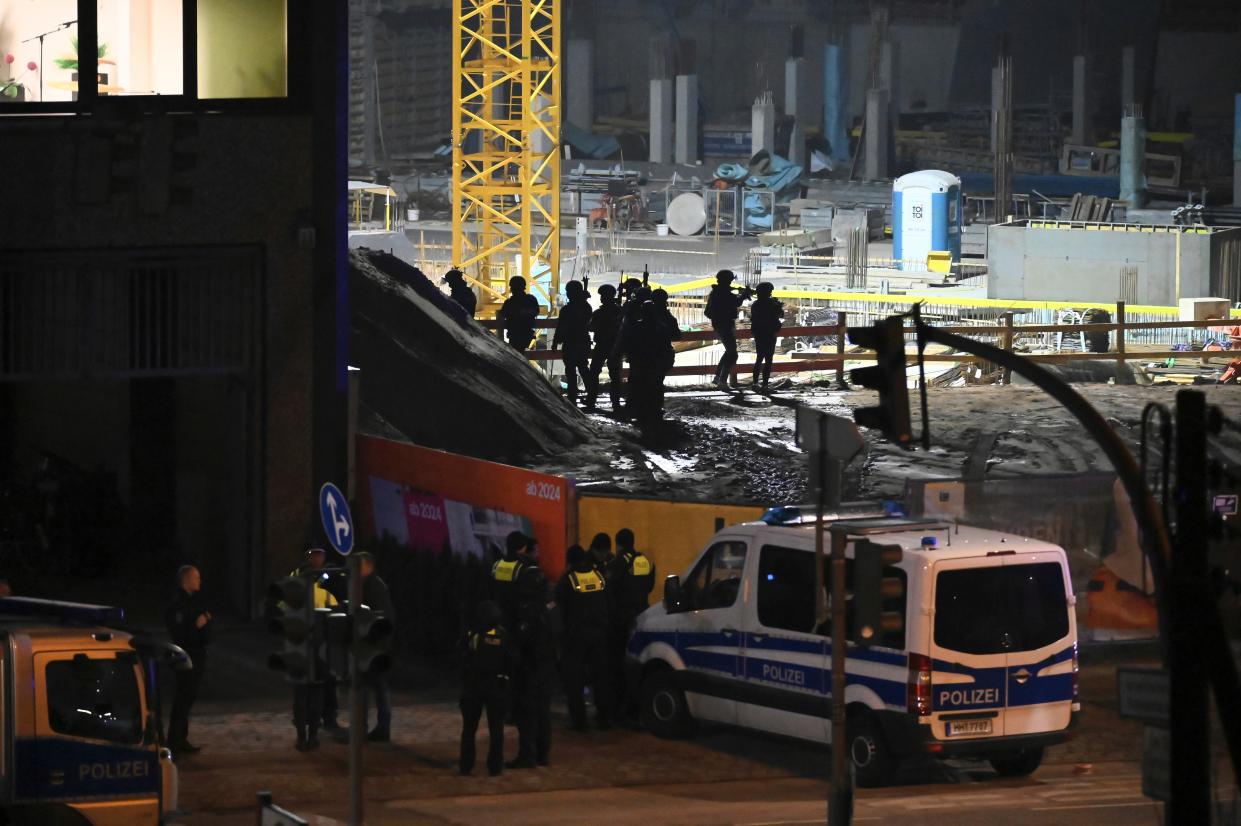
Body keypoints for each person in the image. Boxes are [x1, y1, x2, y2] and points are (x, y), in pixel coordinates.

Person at [493, 532, 555, 769]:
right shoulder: (531, 576)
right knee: (541, 705)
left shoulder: (499, 567)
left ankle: (528, 755)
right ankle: (541, 754)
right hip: (539, 651)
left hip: (521, 649)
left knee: (525, 704)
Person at [286, 547, 340, 751]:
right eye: (316, 555)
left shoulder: (293, 586)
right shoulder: (323, 591)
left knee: (301, 696)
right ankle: (312, 736)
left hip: (298, 648)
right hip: (318, 650)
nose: (319, 559)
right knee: (315, 694)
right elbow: (335, 617)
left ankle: (302, 737)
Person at [555, 545, 612, 731]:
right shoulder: (598, 577)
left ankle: (579, 721)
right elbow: (608, 601)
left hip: (576, 636)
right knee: (601, 677)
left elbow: (559, 607)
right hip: (599, 634)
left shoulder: (568, 580)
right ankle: (604, 717)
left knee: (574, 679)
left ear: (569, 561)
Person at [459, 600, 512, 776]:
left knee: (469, 728)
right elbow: (511, 659)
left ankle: (466, 765)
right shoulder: (503, 635)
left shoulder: (473, 634)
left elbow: (463, 655)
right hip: (496, 685)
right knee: (496, 729)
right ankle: (495, 766)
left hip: (474, 684)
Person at [609, 528, 656, 719]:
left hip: (622, 619)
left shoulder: (618, 562)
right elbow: (650, 585)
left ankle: (623, 710)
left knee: (621, 665)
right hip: (641, 615)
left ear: (618, 544)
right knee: (637, 663)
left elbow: (611, 589)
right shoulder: (643, 561)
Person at [166, 565, 212, 757]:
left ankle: (180, 739)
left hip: (197, 656)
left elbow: (206, 625)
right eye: (196, 578)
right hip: (186, 658)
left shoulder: (193, 601)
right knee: (182, 700)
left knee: (188, 699)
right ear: (186, 580)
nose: (199, 581)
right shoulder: (178, 605)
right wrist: (199, 624)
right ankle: (173, 744)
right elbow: (182, 635)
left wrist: (205, 623)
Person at [622, 289, 682, 430]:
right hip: (657, 357)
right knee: (654, 384)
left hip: (649, 357)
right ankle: (651, 410)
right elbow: (676, 336)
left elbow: (629, 340)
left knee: (644, 384)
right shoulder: (666, 318)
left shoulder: (641, 321)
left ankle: (644, 411)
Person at [357, 552, 395, 743]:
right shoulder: (372, 584)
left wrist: (372, 639)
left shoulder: (373, 586)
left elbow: (379, 616)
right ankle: (380, 728)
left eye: (359, 565)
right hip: (377, 645)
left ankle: (377, 728)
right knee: (378, 688)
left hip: (375, 647)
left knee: (373, 687)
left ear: (368, 566)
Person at [705, 270, 753, 389]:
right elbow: (735, 302)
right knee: (732, 353)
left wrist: (741, 294)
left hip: (721, 324)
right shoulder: (723, 293)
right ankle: (722, 381)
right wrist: (743, 295)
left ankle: (718, 378)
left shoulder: (716, 292)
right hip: (724, 324)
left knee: (729, 351)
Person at [552, 280, 594, 407]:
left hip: (570, 342)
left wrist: (555, 341)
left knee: (570, 370)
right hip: (583, 341)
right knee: (583, 368)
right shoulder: (587, 307)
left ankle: (572, 397)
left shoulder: (567, 309)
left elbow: (562, 327)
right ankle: (591, 396)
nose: (567, 294)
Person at [587, 283, 623, 412]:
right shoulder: (620, 311)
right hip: (614, 346)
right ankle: (615, 403)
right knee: (614, 375)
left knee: (594, 373)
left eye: (603, 296)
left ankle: (591, 400)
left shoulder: (599, 312)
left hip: (602, 345)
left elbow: (591, 327)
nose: (601, 298)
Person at [749, 282, 784, 390]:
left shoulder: (755, 304)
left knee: (759, 358)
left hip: (759, 333)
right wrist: (778, 305)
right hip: (769, 333)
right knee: (768, 359)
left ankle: (755, 382)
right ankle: (765, 384)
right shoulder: (772, 303)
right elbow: (780, 314)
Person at [496, 275, 540, 352]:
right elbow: (536, 312)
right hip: (526, 334)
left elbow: (502, 315)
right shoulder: (531, 299)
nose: (511, 289)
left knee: (515, 355)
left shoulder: (509, 302)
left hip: (514, 335)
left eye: (512, 287)